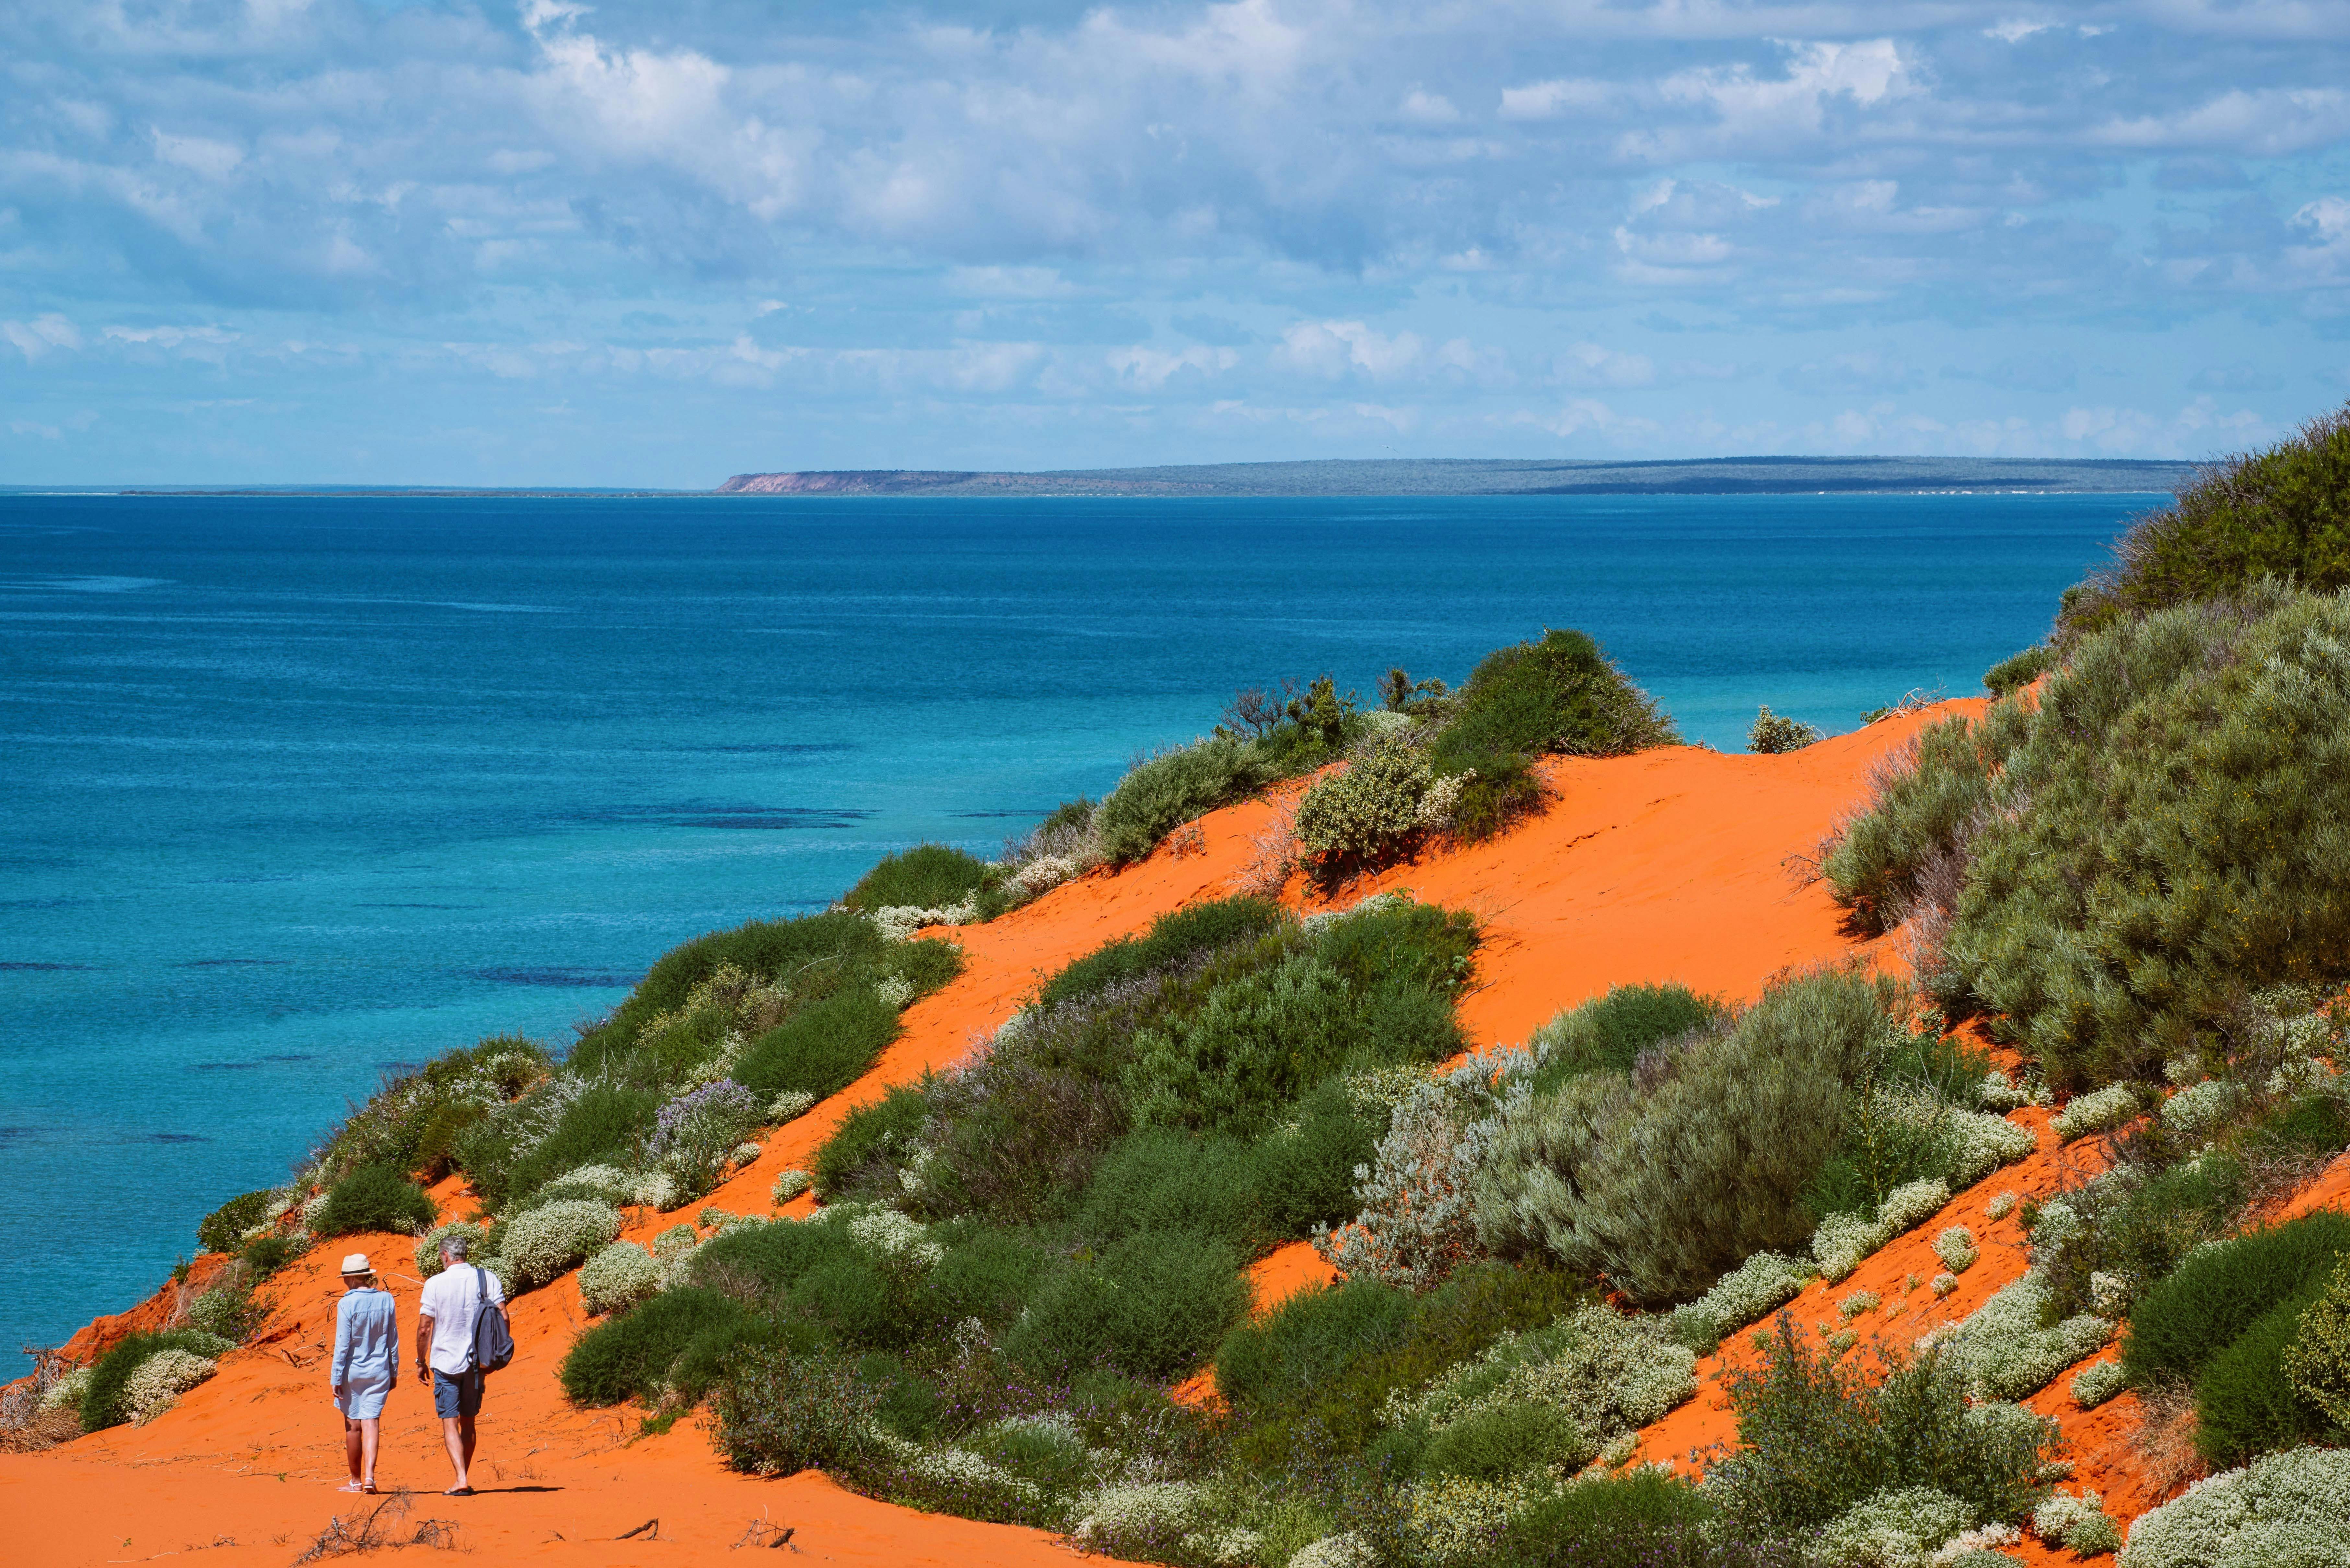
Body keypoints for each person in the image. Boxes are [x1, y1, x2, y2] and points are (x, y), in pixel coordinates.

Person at [414, 1234, 504, 1496]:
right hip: (477, 1363)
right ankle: (465, 1477)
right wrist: (495, 1353)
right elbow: (504, 1317)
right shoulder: (488, 1278)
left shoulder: (435, 1284)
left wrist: (421, 1361)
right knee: (470, 1422)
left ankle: (461, 1478)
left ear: (445, 1256)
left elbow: (424, 1328)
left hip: (445, 1361)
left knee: (449, 1422)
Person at [329, 1252, 398, 1494]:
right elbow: (393, 1340)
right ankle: (370, 1477)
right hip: (380, 1369)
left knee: (353, 1426)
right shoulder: (386, 1300)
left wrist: (336, 1378)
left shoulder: (347, 1303)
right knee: (372, 1422)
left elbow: (342, 1344)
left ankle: (356, 1480)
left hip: (352, 1370)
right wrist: (394, 1370)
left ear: (350, 1279)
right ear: (367, 1276)